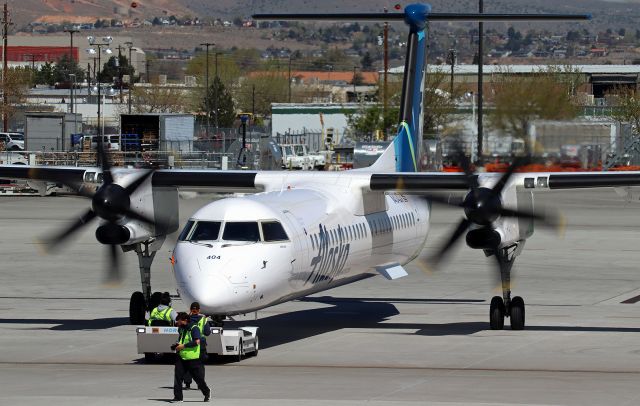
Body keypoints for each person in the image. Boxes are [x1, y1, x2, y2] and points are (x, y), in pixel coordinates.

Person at [171, 312, 211, 402]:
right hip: (181, 357)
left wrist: (183, 346)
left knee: (198, 379)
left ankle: (206, 391)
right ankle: (178, 397)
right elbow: (181, 340)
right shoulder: (182, 329)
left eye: (179, 321)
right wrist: (176, 346)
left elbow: (197, 342)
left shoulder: (194, 328)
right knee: (178, 377)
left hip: (193, 358)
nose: (177, 323)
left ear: (185, 320)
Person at [183, 302, 211, 389]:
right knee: (200, 365)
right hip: (201, 344)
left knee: (188, 363)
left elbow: (181, 330)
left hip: (189, 343)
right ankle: (200, 384)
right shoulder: (203, 320)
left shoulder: (186, 319)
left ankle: (187, 383)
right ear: (199, 310)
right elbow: (207, 333)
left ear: (190, 310)